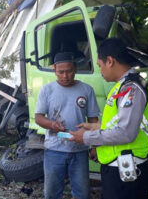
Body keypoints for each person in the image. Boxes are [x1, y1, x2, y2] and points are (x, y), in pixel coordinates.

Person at [69, 38, 148, 199]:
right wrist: (94, 127)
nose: (100, 70)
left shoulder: (131, 88)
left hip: (126, 171)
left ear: (110, 61)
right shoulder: (122, 86)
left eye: (100, 65)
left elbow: (126, 133)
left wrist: (87, 137)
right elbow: (119, 122)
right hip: (118, 168)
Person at [35, 52, 100, 199]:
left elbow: (93, 121)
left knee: (82, 193)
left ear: (75, 69)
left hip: (79, 150)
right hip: (54, 149)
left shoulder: (86, 90)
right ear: (55, 71)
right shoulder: (47, 90)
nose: (65, 76)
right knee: (52, 193)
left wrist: (95, 145)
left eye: (69, 71)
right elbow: (38, 118)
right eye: (61, 72)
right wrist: (52, 124)